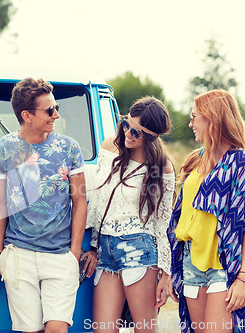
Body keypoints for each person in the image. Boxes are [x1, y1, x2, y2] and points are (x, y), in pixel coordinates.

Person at [0, 77, 87, 333]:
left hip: (60, 256)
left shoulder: (70, 148)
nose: (55, 115)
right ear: (27, 115)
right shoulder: (1, 150)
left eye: (56, 108)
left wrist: (74, 253)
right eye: (49, 110)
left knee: (57, 329)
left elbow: (79, 200)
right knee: (30, 331)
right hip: (19, 254)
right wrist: (0, 251)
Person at [167, 89, 245, 333]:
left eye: (194, 116)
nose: (190, 123)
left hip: (224, 265)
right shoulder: (195, 160)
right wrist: (173, 270)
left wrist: (244, 278)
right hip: (190, 261)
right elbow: (181, 216)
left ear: (212, 118)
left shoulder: (243, 164)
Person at [84, 97, 175, 333]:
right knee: (102, 329)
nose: (129, 133)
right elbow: (97, 201)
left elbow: (163, 223)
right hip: (106, 249)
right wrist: (94, 246)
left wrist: (166, 273)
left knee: (144, 329)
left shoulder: (160, 166)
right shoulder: (108, 148)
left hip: (139, 248)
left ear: (152, 136)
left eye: (137, 132)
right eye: (126, 124)